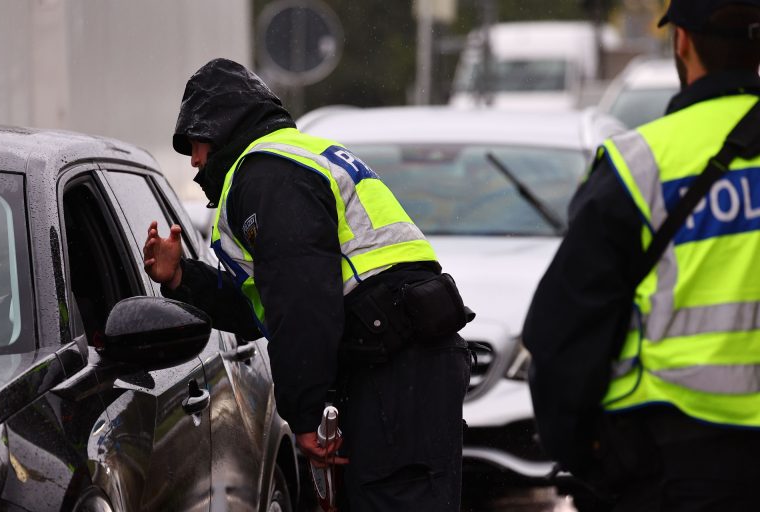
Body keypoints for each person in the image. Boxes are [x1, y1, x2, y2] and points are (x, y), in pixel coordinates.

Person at [143, 58, 472, 511]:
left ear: (221, 128)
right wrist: (183, 277)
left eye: (196, 145)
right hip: (406, 365)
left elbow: (302, 303)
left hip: (393, 372)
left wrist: (306, 413)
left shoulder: (267, 174)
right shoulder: (290, 161)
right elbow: (267, 305)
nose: (196, 162)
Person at [522, 1, 760, 510]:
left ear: (682, 44)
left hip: (680, 458)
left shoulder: (642, 164)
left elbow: (564, 330)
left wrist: (579, 453)